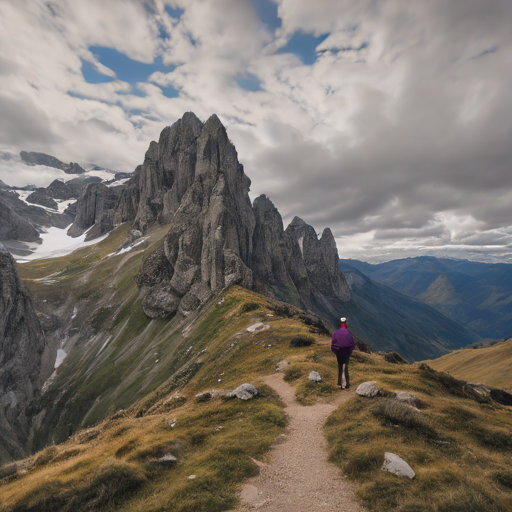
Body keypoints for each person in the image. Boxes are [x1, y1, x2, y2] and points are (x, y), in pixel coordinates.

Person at [331, 317, 355, 389]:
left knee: (340, 366)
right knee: (345, 367)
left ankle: (339, 383)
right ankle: (345, 383)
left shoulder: (336, 332)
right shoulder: (348, 333)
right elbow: (352, 343)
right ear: (346, 323)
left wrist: (335, 350)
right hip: (346, 351)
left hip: (338, 350)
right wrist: (350, 351)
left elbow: (333, 342)